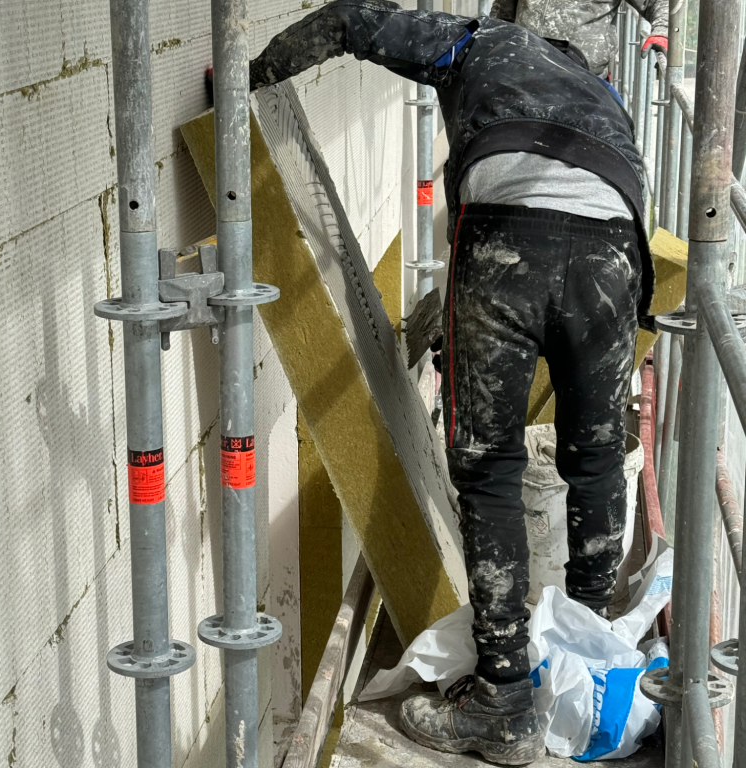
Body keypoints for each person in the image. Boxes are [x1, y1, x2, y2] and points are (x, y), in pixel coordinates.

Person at [248, 1, 655, 763]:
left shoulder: (479, 42)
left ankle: (504, 702)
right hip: (612, 249)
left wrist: (255, 74)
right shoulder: (602, 90)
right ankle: (590, 656)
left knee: (490, 466)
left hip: (507, 234)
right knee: (597, 458)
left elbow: (354, 21)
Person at [491, 0, 669, 77]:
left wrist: (662, 31)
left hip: (585, 80)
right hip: (523, 71)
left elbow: (657, 2)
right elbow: (502, 13)